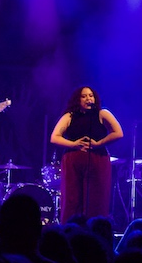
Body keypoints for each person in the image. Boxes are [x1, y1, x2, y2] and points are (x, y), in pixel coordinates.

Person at [50, 86, 123, 224]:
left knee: (97, 198)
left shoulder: (103, 113)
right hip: (73, 161)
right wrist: (74, 144)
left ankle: (94, 232)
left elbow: (118, 133)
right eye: (84, 96)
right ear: (78, 100)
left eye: (91, 95)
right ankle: (70, 231)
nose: (88, 98)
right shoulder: (70, 116)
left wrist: (98, 143)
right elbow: (54, 137)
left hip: (98, 160)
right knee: (72, 199)